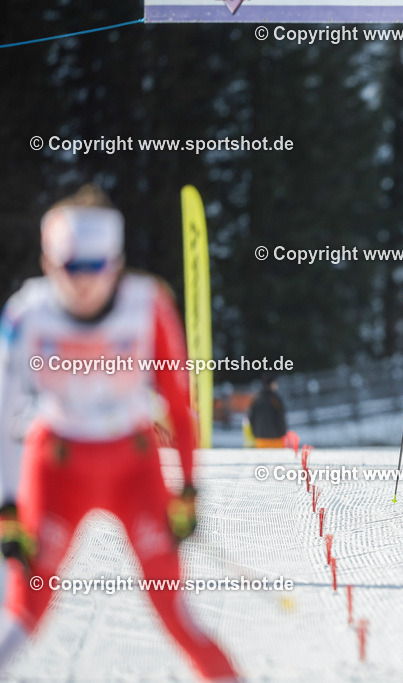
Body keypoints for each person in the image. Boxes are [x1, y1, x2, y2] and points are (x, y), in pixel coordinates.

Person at [0, 185, 238, 680]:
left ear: (117, 262)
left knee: (175, 613)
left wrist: (188, 489)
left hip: (133, 466)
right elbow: (4, 412)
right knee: (26, 610)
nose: (84, 284)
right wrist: (6, 508)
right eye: (71, 268)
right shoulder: (25, 315)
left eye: (96, 268)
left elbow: (179, 405)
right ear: (48, 263)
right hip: (57, 467)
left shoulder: (147, 306)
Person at [247, 374, 288, 448]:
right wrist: (283, 433)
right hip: (276, 439)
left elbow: (251, 417)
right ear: (271, 383)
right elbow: (280, 417)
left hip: (260, 439)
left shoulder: (256, 399)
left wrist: (255, 433)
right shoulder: (275, 399)